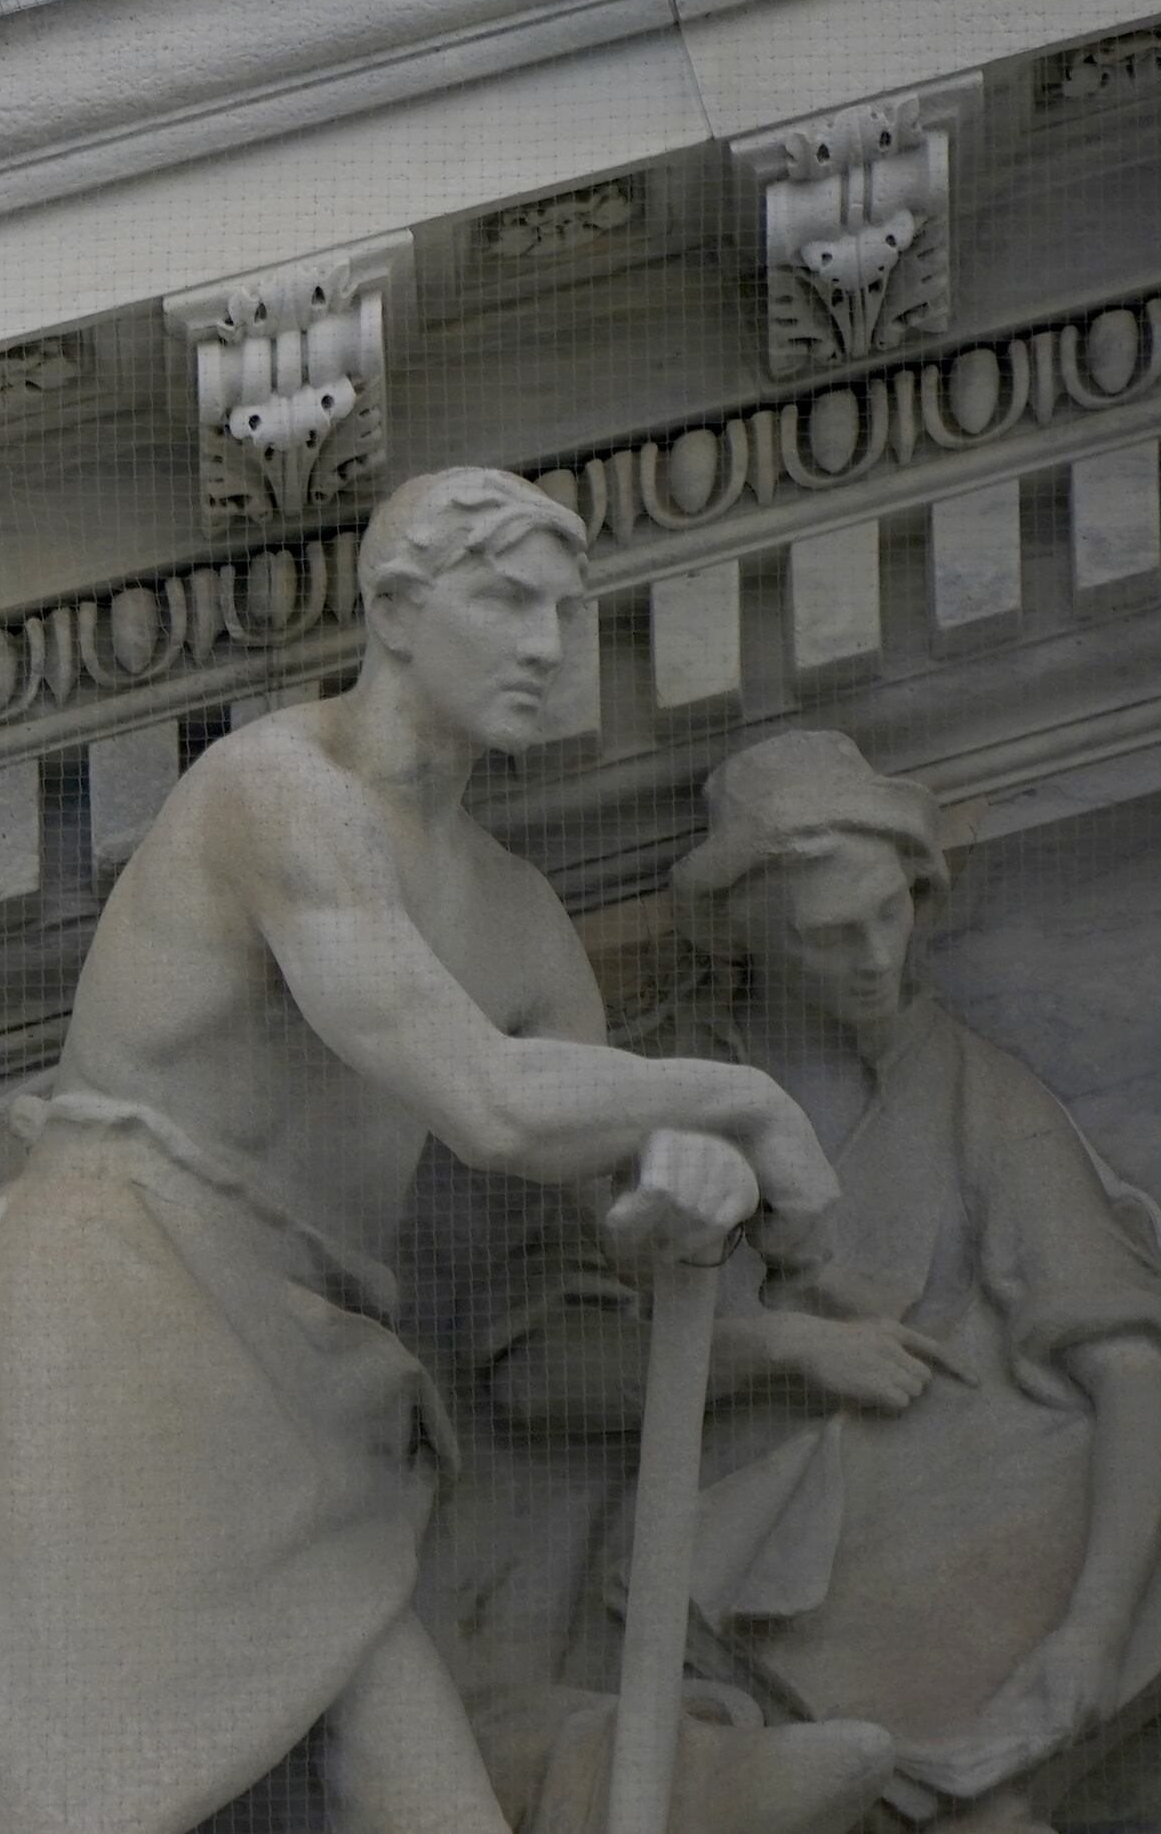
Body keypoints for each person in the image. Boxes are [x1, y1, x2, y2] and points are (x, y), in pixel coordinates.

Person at [0, 470, 855, 1834]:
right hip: (114, 1312)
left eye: (566, 619)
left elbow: (615, 1219)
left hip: (306, 1378)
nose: (544, 649)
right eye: (508, 602)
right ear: (396, 607)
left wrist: (685, 1187)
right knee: (57, 1788)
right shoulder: (280, 795)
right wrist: (749, 1105)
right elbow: (492, 1102)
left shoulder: (518, 922)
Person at [460, 730, 1161, 1828]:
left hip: (995, 1574)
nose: (877, 956)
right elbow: (538, 1375)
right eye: (832, 934)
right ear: (745, 936)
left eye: (892, 913)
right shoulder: (638, 1098)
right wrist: (780, 1348)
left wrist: (1091, 1633)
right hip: (754, 1609)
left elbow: (1125, 1362)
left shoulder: (974, 1088)